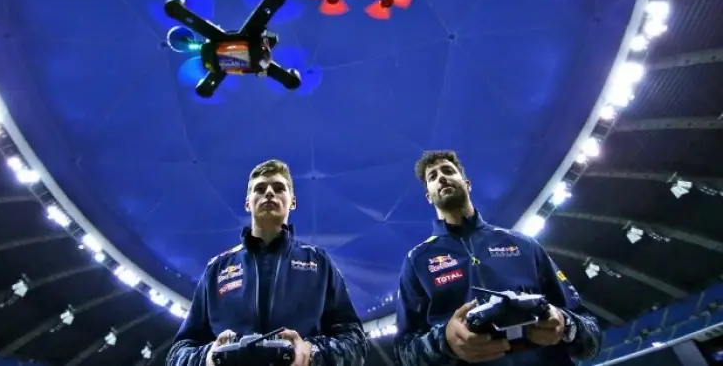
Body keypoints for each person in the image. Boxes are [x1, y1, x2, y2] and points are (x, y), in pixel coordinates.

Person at [394, 150, 602, 365]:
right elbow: (404, 352)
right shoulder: (417, 261)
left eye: (448, 171)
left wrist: (565, 324)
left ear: (467, 184)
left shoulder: (524, 244)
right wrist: (444, 341)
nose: (442, 178)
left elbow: (592, 333)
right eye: (433, 176)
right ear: (429, 197)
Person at [166, 159, 368, 366]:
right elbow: (178, 353)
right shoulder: (217, 269)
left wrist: (312, 353)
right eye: (260, 189)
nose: (269, 192)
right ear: (247, 203)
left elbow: (355, 342)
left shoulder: (319, 264)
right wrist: (209, 357)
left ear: (292, 202)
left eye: (279, 188)